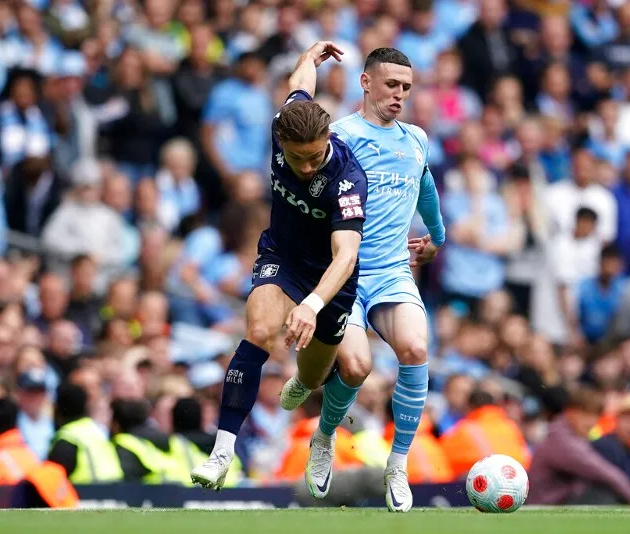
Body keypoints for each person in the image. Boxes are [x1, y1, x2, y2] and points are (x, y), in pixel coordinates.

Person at [190, 41, 368, 490]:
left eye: (315, 155)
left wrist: (310, 304)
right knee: (261, 333)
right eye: (296, 157)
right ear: (281, 139)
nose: (307, 166)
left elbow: (346, 256)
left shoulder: (347, 179)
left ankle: (316, 416)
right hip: (282, 257)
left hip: (329, 278)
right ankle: (222, 450)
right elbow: (300, 84)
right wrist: (309, 57)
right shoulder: (283, 122)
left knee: (313, 374)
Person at [278, 47, 445, 512]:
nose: (400, 95)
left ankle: (398, 464)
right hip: (345, 271)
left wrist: (437, 235)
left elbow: (425, 186)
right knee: (355, 367)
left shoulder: (416, 139)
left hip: (392, 271)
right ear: (366, 83)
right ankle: (325, 437)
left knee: (415, 349)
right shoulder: (338, 138)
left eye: (407, 88)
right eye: (392, 85)